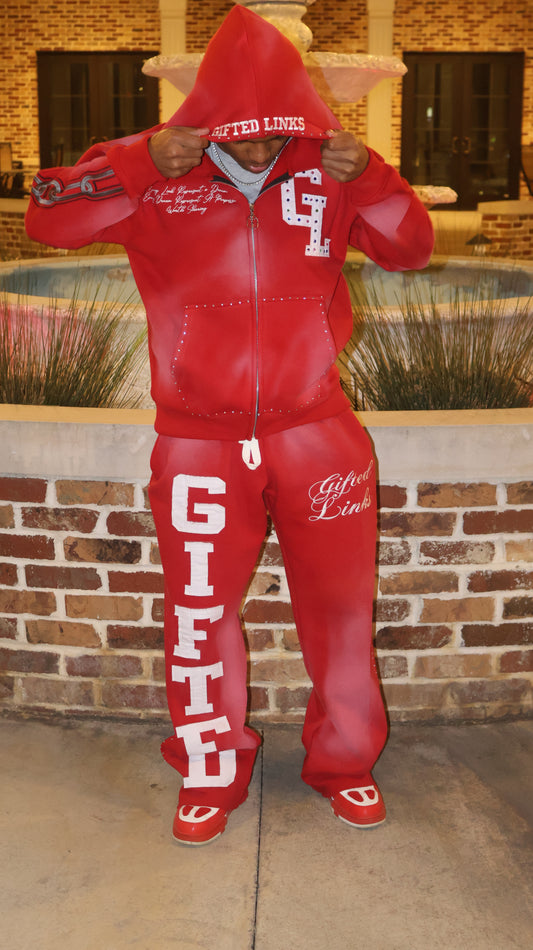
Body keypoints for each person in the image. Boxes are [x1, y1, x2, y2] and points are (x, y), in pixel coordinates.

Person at [26, 5, 434, 846]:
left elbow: (411, 247)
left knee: (341, 612)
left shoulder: (329, 172)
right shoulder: (154, 171)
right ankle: (209, 771)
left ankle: (345, 764)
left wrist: (371, 178)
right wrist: (135, 163)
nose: (255, 151)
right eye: (237, 136)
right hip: (196, 442)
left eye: (272, 134)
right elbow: (48, 217)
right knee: (198, 614)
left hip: (316, 431)